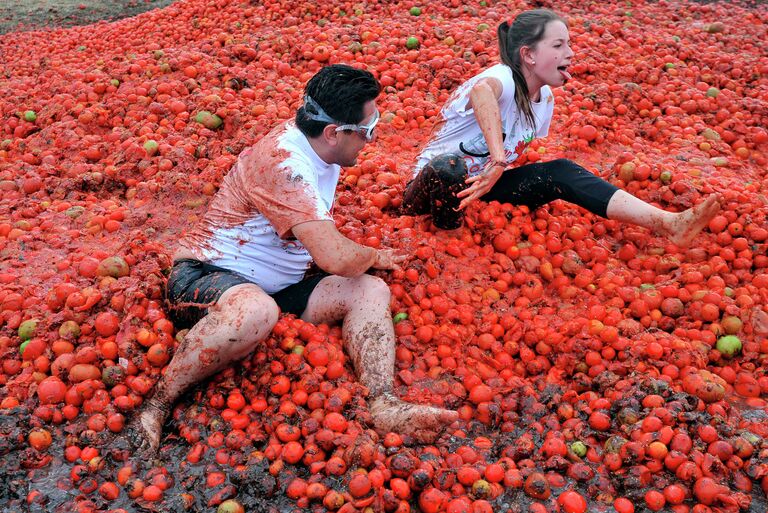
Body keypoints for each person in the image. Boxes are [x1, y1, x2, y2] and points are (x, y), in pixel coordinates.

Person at [127, 64, 458, 457]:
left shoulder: (320, 147)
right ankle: (157, 403)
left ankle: (383, 402)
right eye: (368, 130)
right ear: (335, 133)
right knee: (256, 310)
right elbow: (335, 256)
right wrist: (372, 254)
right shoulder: (285, 164)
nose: (373, 139)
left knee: (369, 288)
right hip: (206, 275)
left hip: (276, 290)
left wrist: (367, 264)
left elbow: (333, 253)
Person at [403, 9, 720, 246]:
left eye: (569, 45)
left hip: (483, 188)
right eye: (557, 46)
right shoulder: (502, 76)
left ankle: (668, 223)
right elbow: (481, 93)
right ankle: (448, 245)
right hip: (432, 189)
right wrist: (498, 160)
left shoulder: (545, 100)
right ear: (527, 55)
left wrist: (501, 172)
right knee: (450, 168)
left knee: (562, 171)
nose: (569, 54)